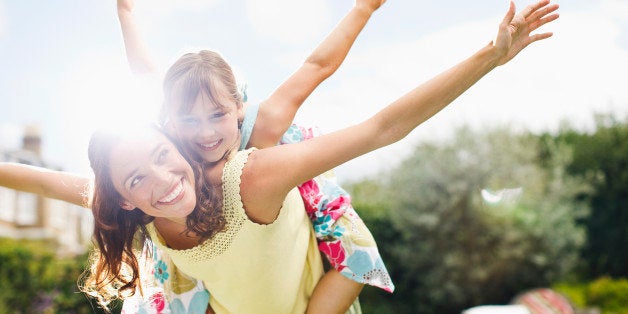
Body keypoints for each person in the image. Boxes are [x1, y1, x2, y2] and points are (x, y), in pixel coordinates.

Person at [0, 0, 559, 312]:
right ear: (165, 123)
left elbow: (368, 113)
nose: (203, 135)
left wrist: (488, 55)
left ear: (238, 112)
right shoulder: (147, 173)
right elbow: (52, 178)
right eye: (185, 124)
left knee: (342, 243)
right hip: (235, 282)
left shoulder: (259, 141)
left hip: (304, 220)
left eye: (218, 118)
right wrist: (127, 13)